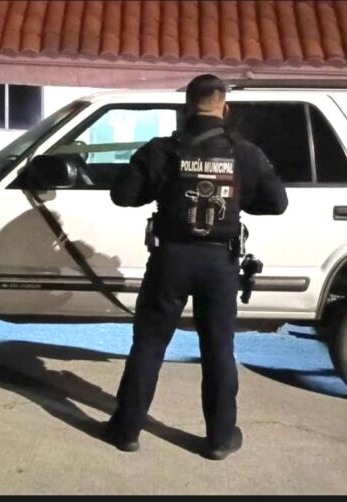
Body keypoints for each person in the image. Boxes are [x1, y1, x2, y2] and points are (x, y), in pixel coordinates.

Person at [106, 74, 288, 460]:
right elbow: (277, 203)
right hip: (220, 262)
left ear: (187, 107)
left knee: (149, 344)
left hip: (170, 259)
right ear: (225, 108)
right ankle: (220, 439)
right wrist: (239, 198)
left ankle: (126, 431)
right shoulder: (244, 153)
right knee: (218, 347)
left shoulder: (162, 150)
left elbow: (122, 195)